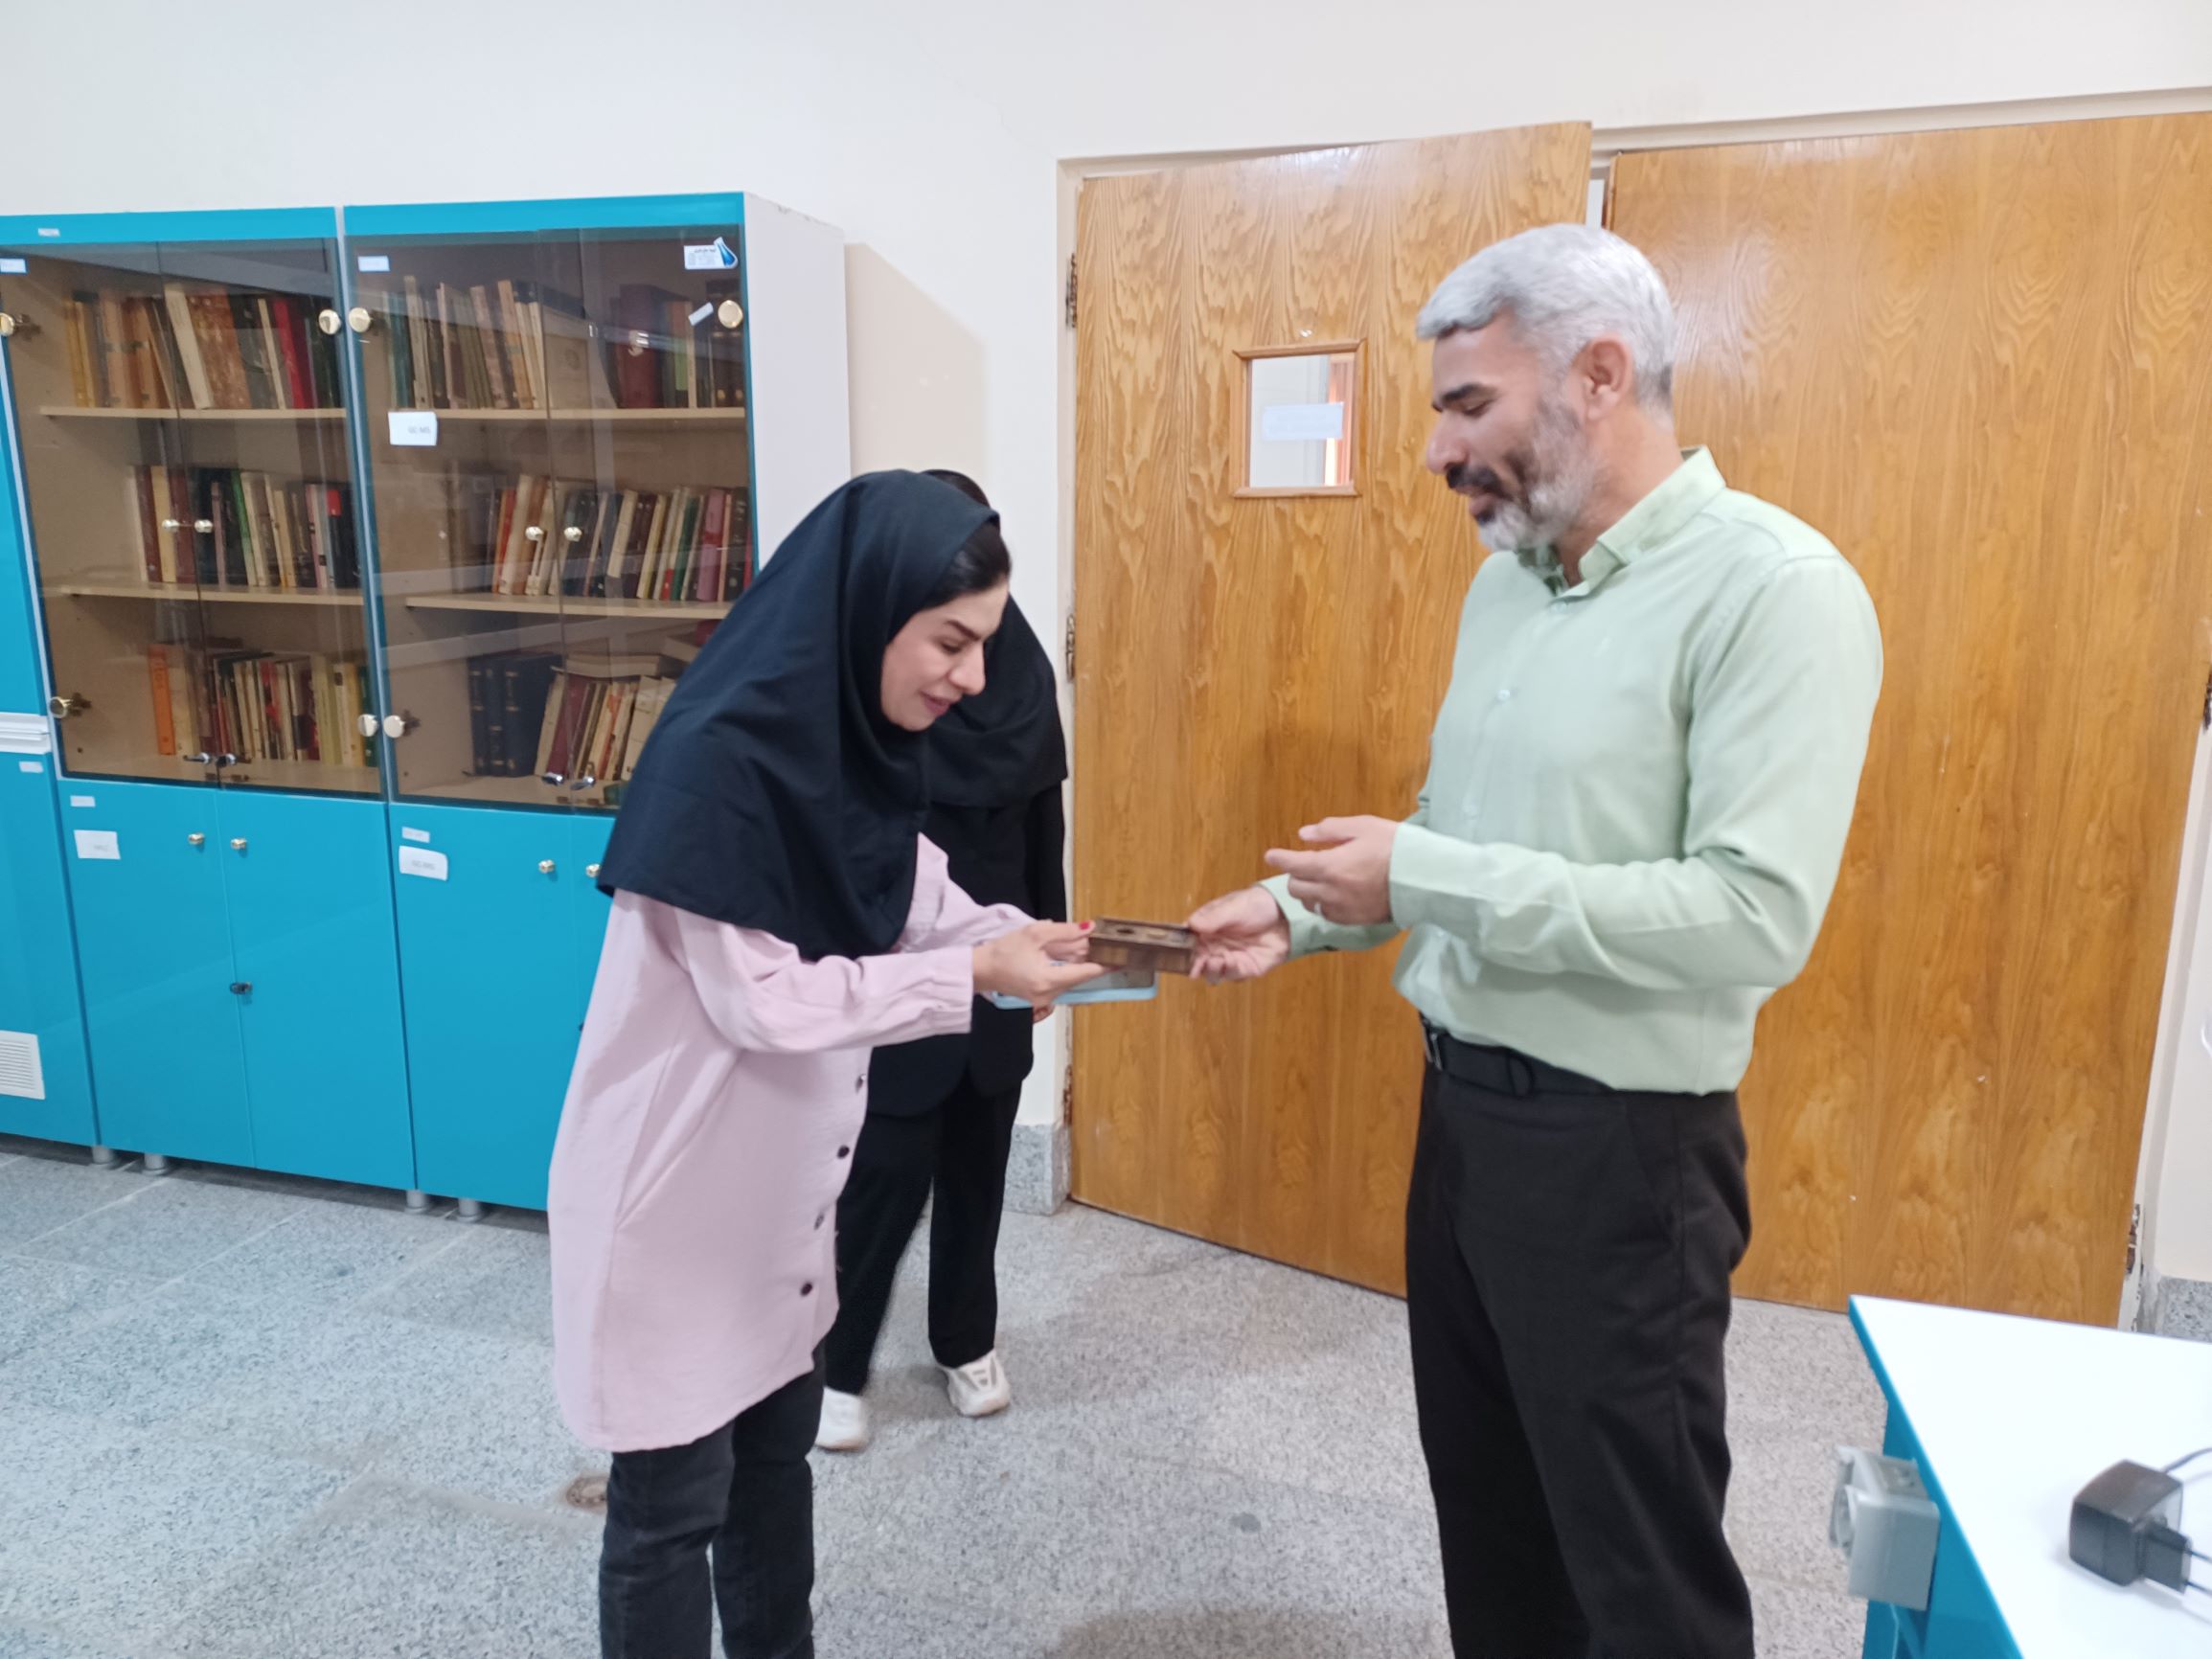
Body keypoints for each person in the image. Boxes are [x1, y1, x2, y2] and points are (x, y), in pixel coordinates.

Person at [1187, 224, 1882, 1659]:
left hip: (1619, 1159)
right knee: (1495, 1536)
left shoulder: (1775, 590)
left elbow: (1748, 916)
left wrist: (1423, 870)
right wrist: (1302, 909)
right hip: (1461, 1126)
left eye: (1467, 405)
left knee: (1639, 1578)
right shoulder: (1508, 581)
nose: (1436, 451)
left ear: (1599, 376)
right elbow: (1462, 833)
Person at [549, 470, 1102, 1659]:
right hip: (675, 1208)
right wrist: (972, 975)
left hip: (780, 1205)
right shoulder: (716, 765)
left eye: (984, 644)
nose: (971, 677)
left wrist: (1058, 946)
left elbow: (925, 901)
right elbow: (763, 1001)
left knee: (772, 1468)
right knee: (670, 1511)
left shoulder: (850, 752)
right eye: (949, 641)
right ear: (869, 610)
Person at [816, 469, 1068, 1452]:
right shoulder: (872, 691)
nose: (967, 668)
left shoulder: (1017, 676)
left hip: (1001, 959)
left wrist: (1045, 939)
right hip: (894, 970)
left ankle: (966, 1340)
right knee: (880, 1175)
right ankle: (837, 1364)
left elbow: (1042, 823)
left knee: (979, 1164)